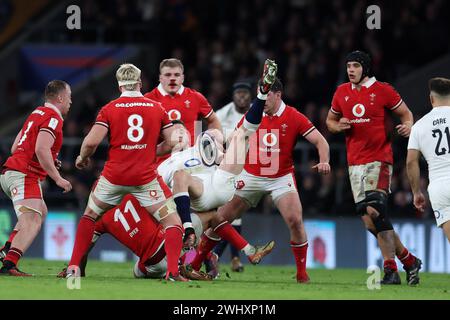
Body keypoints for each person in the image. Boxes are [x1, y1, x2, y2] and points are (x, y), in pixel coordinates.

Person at [195, 76, 331, 284]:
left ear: (278, 95)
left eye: (266, 94)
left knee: (295, 220)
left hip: (280, 177)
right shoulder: (254, 114)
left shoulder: (294, 116)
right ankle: (194, 265)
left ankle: (302, 274)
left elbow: (321, 141)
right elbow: (235, 137)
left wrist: (324, 161)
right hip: (249, 175)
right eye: (261, 94)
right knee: (220, 218)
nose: (262, 99)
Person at [67, 64, 188, 281]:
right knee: (173, 223)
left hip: (114, 177)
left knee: (90, 216)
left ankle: (74, 267)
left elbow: (91, 142)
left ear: (119, 85)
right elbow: (171, 142)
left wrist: (82, 158)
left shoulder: (109, 109)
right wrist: (150, 151)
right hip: (145, 178)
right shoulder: (157, 108)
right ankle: (172, 272)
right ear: (140, 83)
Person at [158, 60, 280, 274]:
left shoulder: (201, 145)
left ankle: (261, 94)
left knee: (242, 134)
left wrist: (225, 155)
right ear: (167, 141)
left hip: (219, 186)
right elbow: (162, 190)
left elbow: (222, 154)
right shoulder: (166, 165)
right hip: (198, 198)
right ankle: (241, 251)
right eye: (174, 132)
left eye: (182, 130)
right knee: (210, 218)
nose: (179, 132)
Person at [326, 50, 422, 285]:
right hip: (354, 164)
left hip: (378, 159)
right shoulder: (341, 92)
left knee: (375, 210)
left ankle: (390, 270)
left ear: (365, 69)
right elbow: (330, 121)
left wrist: (408, 126)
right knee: (370, 222)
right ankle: (409, 261)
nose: (351, 70)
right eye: (349, 66)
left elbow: (406, 114)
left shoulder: (383, 90)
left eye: (356, 66)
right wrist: (338, 127)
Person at [144, 58, 222, 245]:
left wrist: (213, 140)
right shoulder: (148, 100)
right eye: (168, 75)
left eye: (176, 75)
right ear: (160, 77)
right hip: (160, 166)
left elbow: (214, 122)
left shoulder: (195, 98)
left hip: (192, 165)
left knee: (213, 211)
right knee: (163, 218)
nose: (172, 79)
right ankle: (159, 256)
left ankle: (198, 255)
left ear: (183, 77)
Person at [0, 80, 73, 276]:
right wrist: (57, 178)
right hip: (24, 175)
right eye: (69, 97)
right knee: (32, 220)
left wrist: (47, 159)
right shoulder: (53, 118)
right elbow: (41, 148)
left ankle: (7, 250)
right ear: (60, 98)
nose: (71, 102)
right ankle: (9, 265)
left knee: (40, 211)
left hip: (11, 172)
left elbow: (16, 148)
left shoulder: (36, 113)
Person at [57, 194, 213, 281]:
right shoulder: (136, 191)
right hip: (167, 246)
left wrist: (80, 270)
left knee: (137, 270)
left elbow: (84, 249)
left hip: (153, 265)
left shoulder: (98, 218)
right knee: (208, 217)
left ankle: (181, 263)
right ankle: (188, 262)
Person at [213, 80, 253, 273]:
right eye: (239, 93)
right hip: (227, 168)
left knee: (233, 215)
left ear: (251, 96)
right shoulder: (222, 115)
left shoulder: (257, 112)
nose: (242, 96)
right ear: (233, 95)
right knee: (229, 215)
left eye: (245, 93)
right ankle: (230, 258)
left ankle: (218, 257)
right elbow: (213, 140)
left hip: (251, 168)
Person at [407, 77, 450, 242]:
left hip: (439, 188)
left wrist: (416, 191)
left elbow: (411, 162)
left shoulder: (418, 126)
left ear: (431, 98)